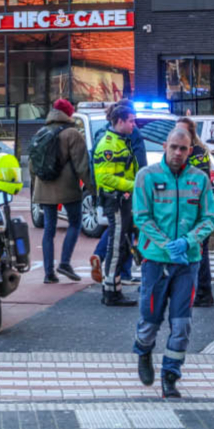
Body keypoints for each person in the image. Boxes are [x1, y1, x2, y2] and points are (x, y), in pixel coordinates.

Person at [131, 127, 214, 399]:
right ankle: (144, 351)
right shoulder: (146, 176)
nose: (178, 153)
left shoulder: (199, 180)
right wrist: (166, 243)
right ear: (165, 146)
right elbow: (142, 217)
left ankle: (171, 375)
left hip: (187, 263)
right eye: (174, 147)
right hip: (156, 262)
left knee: (181, 324)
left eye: (183, 148)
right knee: (150, 322)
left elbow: (209, 219)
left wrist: (189, 241)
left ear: (191, 150)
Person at [30, 98, 89, 283]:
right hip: (68, 188)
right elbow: (82, 166)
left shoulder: (41, 132)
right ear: (69, 113)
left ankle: (48, 273)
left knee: (49, 228)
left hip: (43, 187)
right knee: (74, 223)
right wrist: (93, 189)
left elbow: (32, 166)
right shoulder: (73, 134)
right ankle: (64, 262)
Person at [90, 101, 141, 307]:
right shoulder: (109, 145)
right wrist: (133, 185)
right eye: (131, 121)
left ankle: (114, 288)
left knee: (119, 244)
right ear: (119, 121)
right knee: (116, 246)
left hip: (122, 200)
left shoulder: (120, 141)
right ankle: (110, 291)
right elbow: (105, 179)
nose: (134, 125)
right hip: (116, 201)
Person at [176, 116, 214, 307]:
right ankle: (197, 290)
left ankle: (203, 292)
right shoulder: (186, 150)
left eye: (182, 130)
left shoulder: (198, 152)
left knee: (200, 251)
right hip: (187, 206)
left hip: (196, 207)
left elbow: (198, 180)